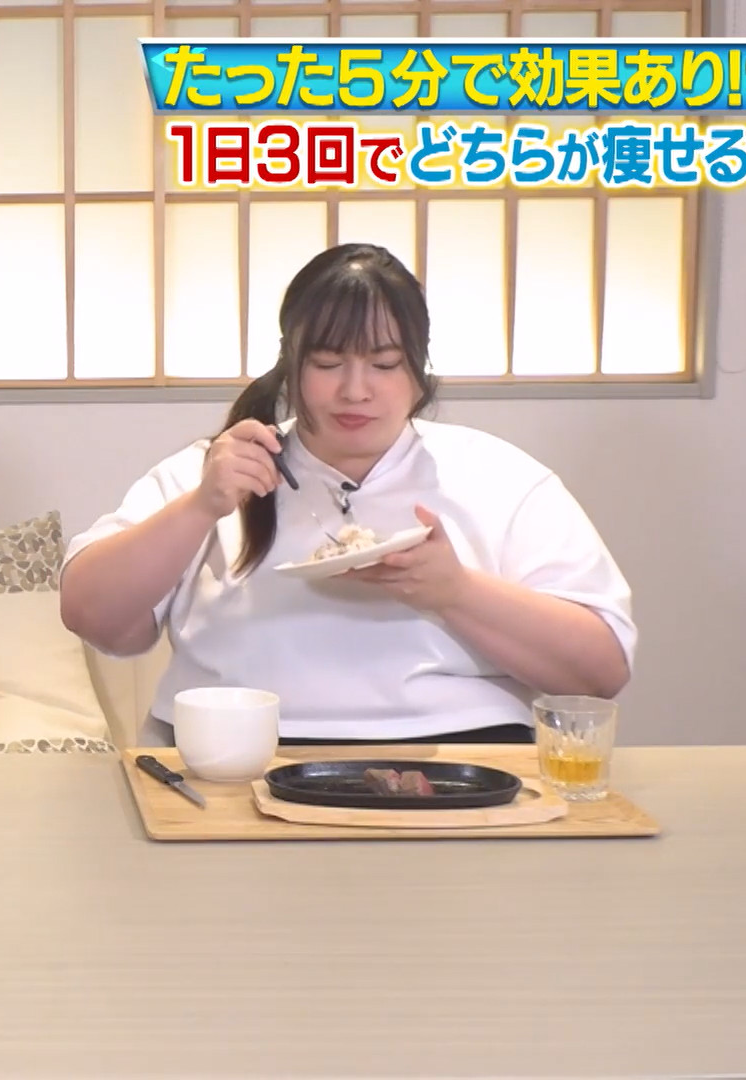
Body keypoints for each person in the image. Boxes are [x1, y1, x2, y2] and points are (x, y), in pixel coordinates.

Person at [59, 244, 634, 746]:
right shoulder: (216, 470)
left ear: (419, 368)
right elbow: (92, 616)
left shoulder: (500, 476)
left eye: (384, 363)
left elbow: (599, 673)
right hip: (230, 758)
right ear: (290, 364)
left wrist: (455, 591)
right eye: (328, 362)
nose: (355, 390)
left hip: (464, 769)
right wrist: (202, 506)